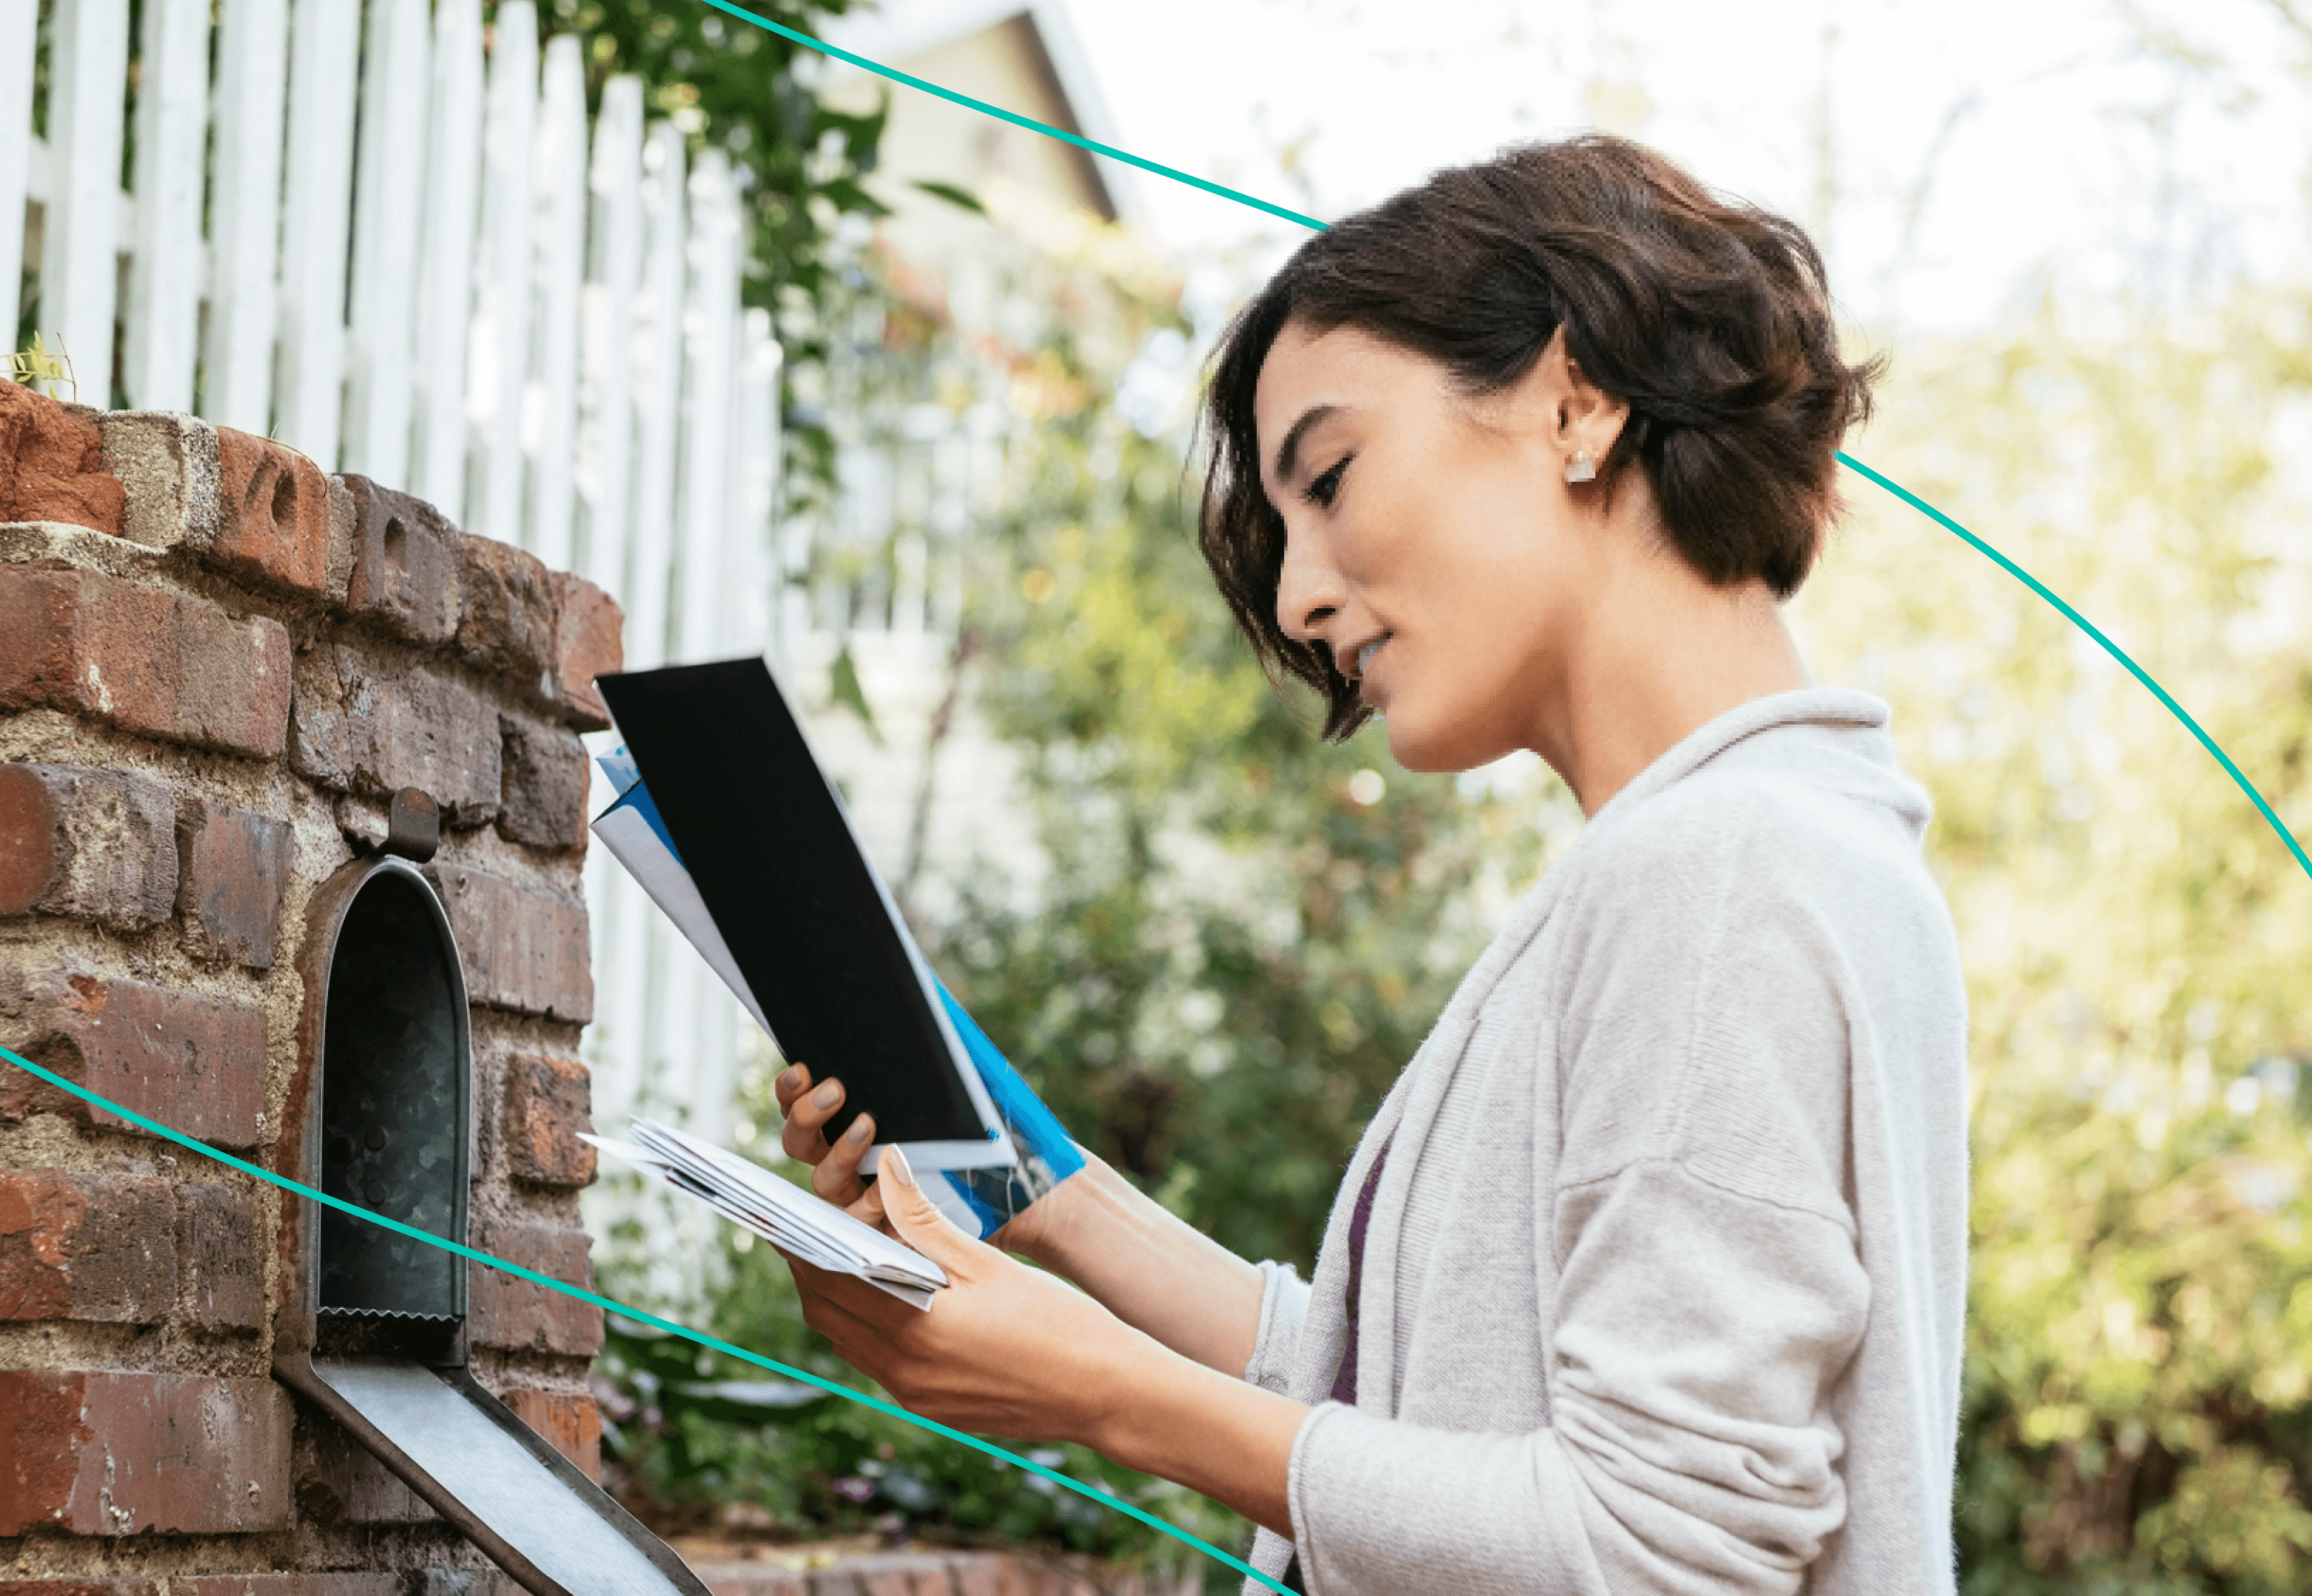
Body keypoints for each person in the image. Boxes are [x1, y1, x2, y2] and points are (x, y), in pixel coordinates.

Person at [769, 132, 1969, 1595]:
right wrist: (1041, 1193)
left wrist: (1103, 1396)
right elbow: (1393, 1381)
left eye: (1328, 477)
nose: (1296, 589)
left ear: (1575, 404)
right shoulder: (1756, 844)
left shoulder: (1718, 876)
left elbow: (1663, 1547)